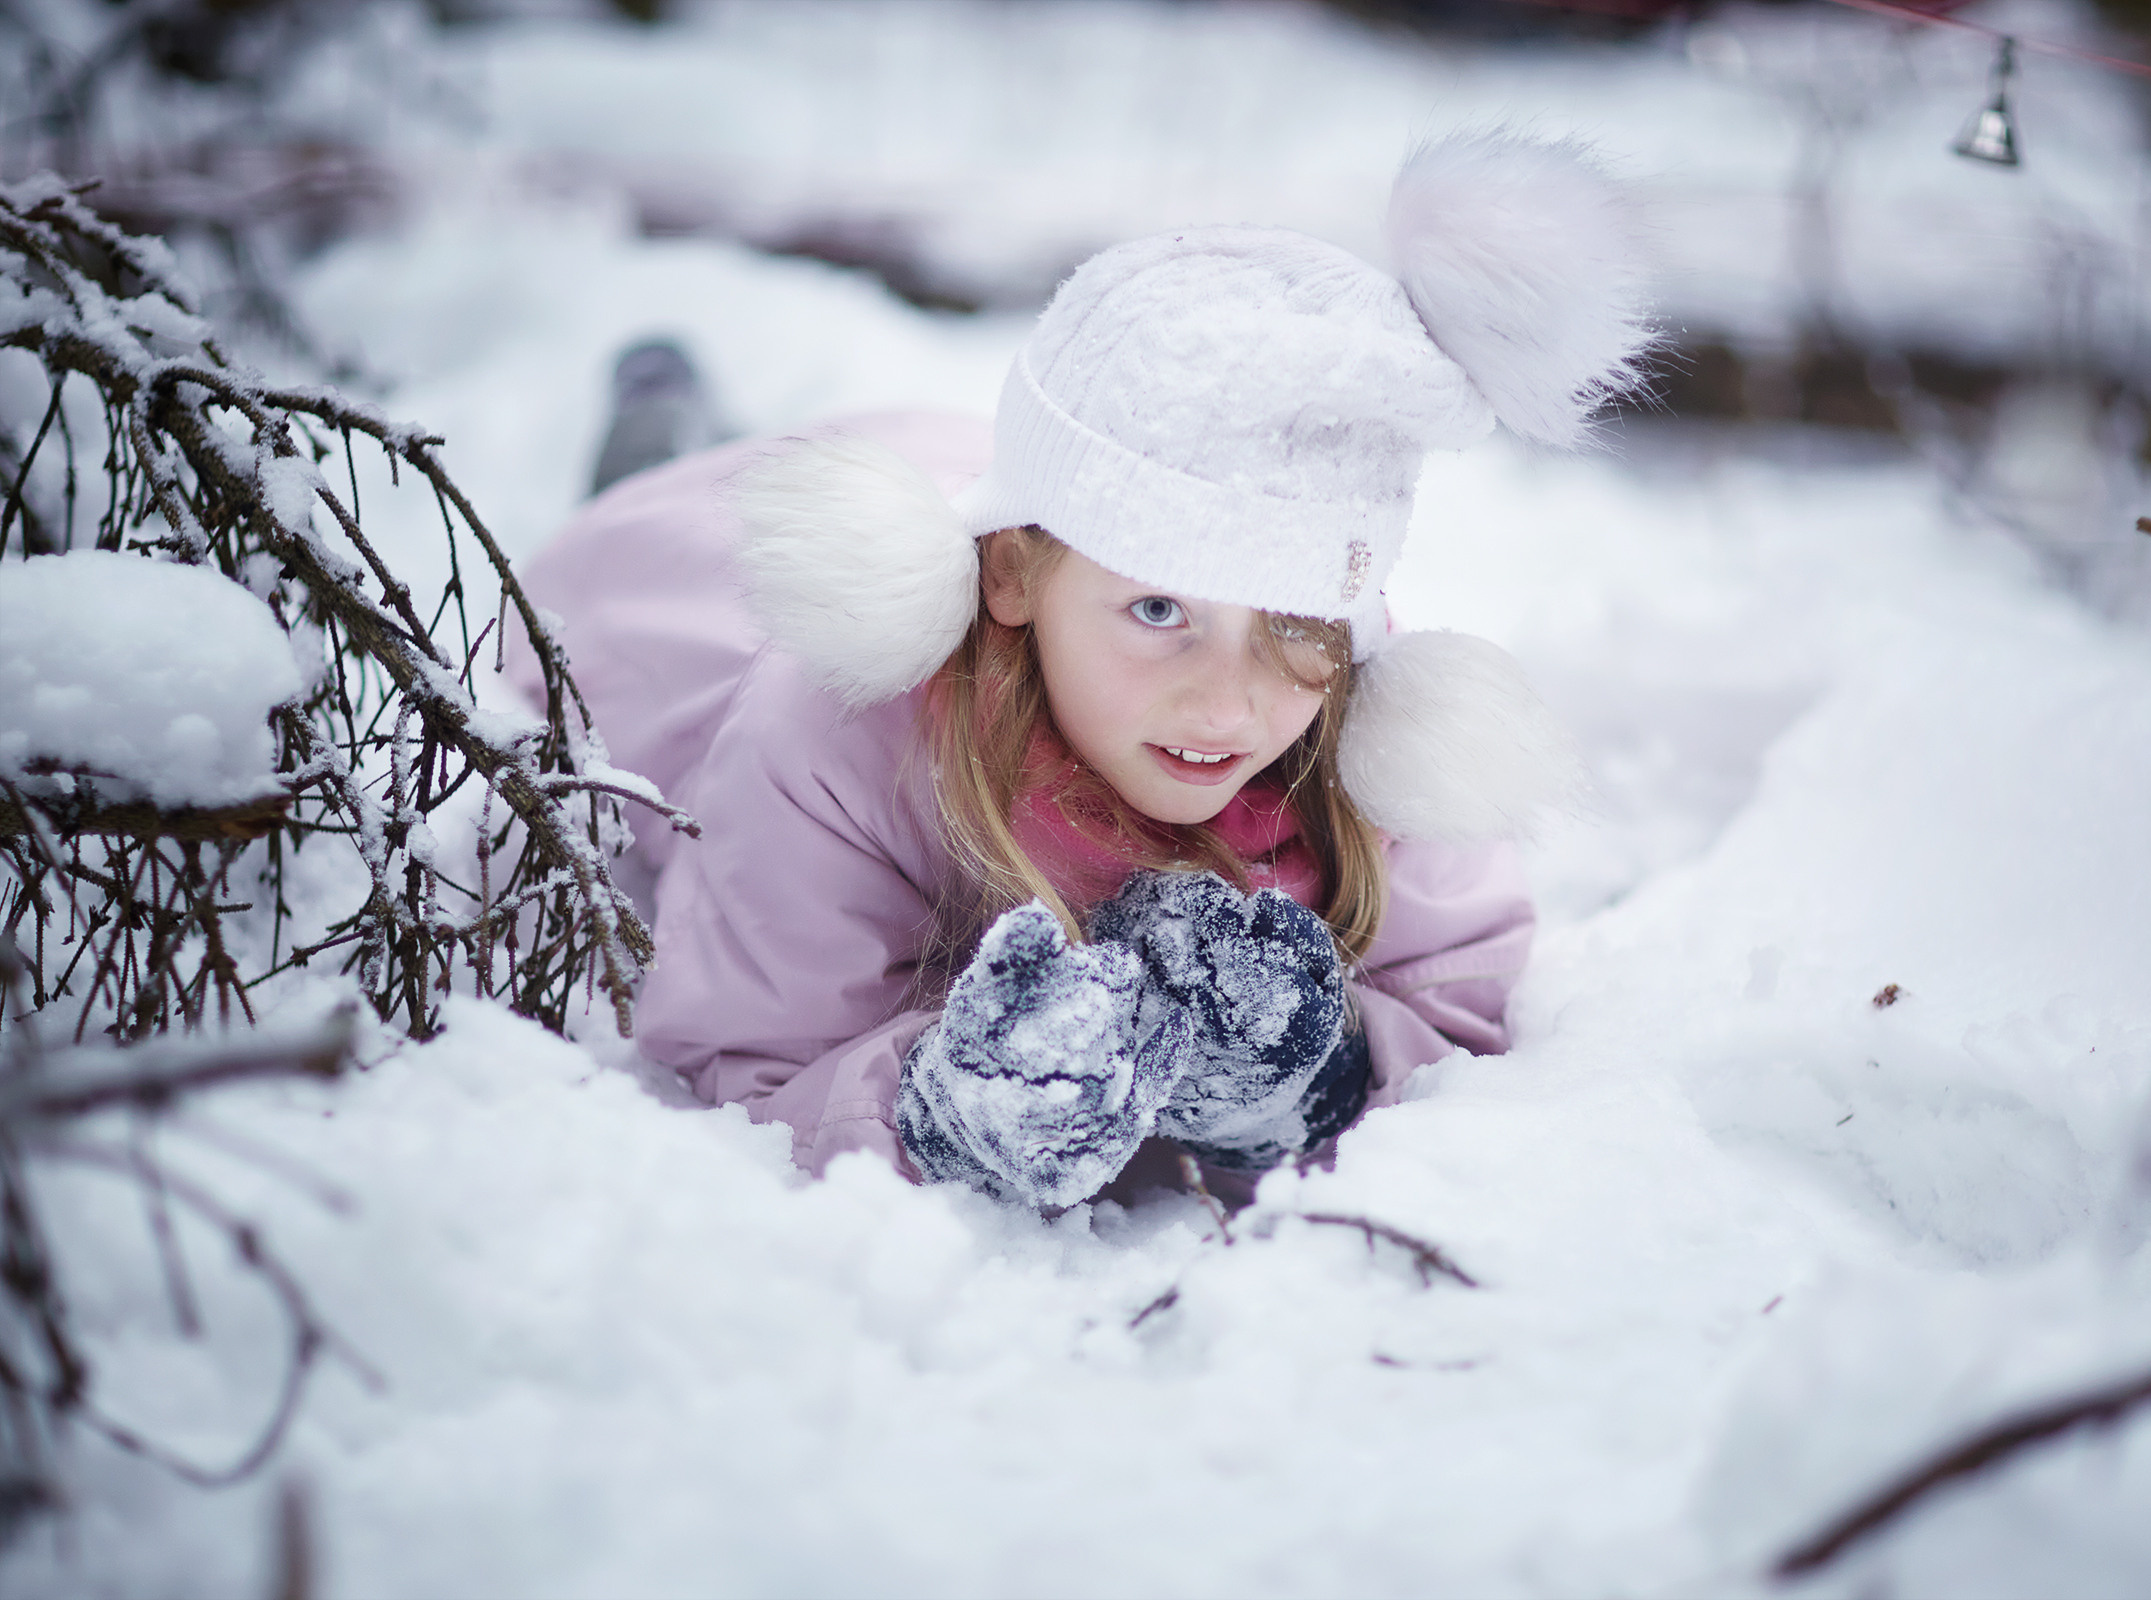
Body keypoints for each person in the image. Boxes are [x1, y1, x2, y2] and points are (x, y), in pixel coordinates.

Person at [512, 130, 1653, 1210]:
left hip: (1028, 493)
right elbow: (754, 1053)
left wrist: (1308, 1078)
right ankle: (660, 414)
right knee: (683, 485)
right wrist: (943, 1107)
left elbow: (1455, 999)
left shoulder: (1377, 733)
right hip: (695, 573)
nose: (1229, 700)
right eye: (1162, 611)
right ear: (1009, 577)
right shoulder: (836, 728)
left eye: (1295, 625)